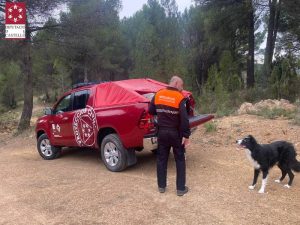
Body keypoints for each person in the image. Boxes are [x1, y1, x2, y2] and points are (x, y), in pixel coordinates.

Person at [149, 75, 191, 196]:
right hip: (175, 134)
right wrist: (186, 135)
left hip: (161, 133)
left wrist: (162, 111)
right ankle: (180, 189)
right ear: (176, 83)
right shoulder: (179, 97)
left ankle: (161, 187)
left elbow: (151, 110)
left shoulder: (158, 94)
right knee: (180, 160)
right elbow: (184, 119)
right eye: (181, 85)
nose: (182, 88)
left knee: (161, 159)